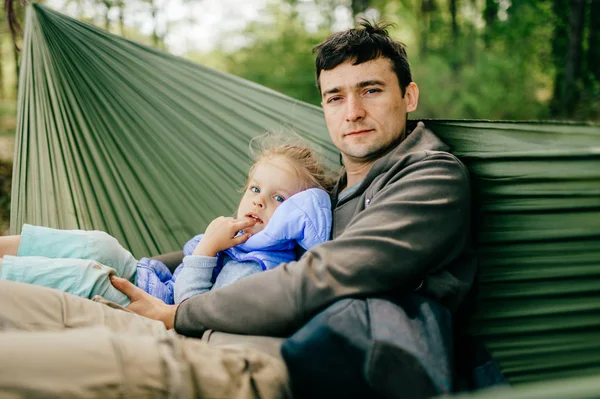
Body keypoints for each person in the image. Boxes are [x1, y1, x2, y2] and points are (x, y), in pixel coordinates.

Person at [0, 20, 476, 398]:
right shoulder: (325, 198)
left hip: (262, 362)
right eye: (335, 96)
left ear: (408, 96)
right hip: (193, 331)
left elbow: (325, 277)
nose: (351, 110)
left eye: (370, 90)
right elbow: (240, 244)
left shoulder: (429, 177)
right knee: (23, 300)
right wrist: (149, 267)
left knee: (20, 362)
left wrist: (179, 314)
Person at [0, 137, 334, 305]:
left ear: (296, 219)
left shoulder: (257, 268)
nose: (259, 200)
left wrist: (206, 249)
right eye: (256, 188)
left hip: (157, 307)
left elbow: (195, 309)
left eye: (279, 199)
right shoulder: (242, 240)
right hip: (153, 282)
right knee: (100, 244)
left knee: (88, 277)